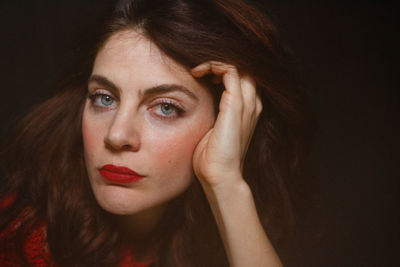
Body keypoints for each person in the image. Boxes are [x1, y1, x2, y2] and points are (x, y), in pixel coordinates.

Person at [0, 0, 313, 266]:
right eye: (104, 98)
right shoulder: (25, 239)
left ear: (226, 123)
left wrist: (226, 184)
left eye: (165, 108)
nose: (117, 135)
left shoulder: (240, 234)